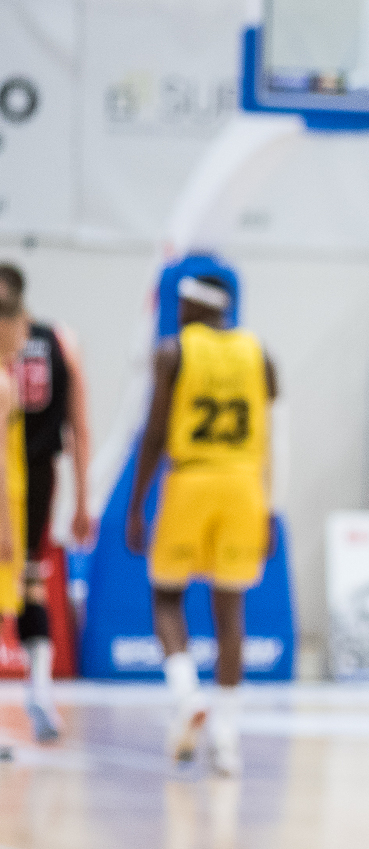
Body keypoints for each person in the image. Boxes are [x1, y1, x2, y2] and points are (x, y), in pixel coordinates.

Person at [126, 275, 277, 777]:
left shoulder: (174, 352)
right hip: (245, 485)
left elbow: (154, 433)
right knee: (230, 612)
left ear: (194, 305)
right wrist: (271, 508)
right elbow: (277, 435)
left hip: (191, 480)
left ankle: (188, 694)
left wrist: (136, 504)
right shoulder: (259, 354)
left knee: (166, 597)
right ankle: (227, 739)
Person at [0, 264, 93, 743]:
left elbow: (79, 424)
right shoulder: (61, 340)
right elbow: (80, 427)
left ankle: (39, 691)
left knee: (27, 583)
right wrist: (82, 498)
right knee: (29, 583)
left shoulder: (51, 342)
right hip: (30, 478)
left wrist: (83, 500)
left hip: (24, 479)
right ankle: (39, 692)